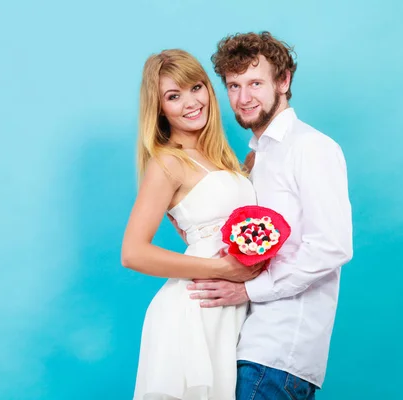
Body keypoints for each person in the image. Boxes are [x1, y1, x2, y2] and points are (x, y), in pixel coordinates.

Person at [187, 32, 354, 399]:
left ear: (284, 81)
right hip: (246, 346)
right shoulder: (257, 157)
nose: (244, 98)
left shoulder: (310, 148)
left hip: (277, 353)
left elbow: (331, 246)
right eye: (234, 85)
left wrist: (248, 289)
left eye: (255, 83)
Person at [121, 49, 263, 399]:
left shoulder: (221, 159)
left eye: (196, 88)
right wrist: (220, 269)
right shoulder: (168, 163)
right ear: (159, 109)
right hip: (192, 312)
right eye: (174, 96)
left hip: (225, 311)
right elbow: (133, 253)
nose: (190, 102)